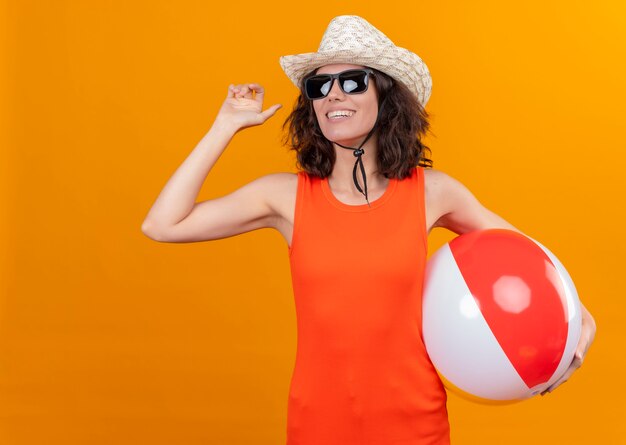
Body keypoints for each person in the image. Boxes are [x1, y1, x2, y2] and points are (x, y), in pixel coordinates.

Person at [141, 15, 596, 445]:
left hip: (416, 427)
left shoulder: (434, 192)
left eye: (352, 81)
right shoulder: (282, 198)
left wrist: (578, 318)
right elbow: (163, 224)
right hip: (317, 427)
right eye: (320, 86)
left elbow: (527, 256)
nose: (333, 95)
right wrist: (226, 125)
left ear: (385, 97)